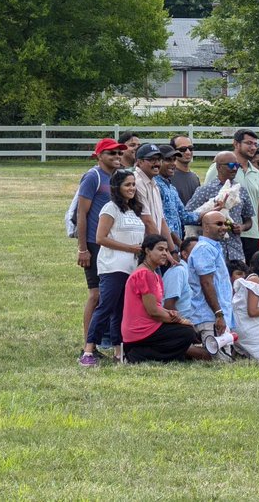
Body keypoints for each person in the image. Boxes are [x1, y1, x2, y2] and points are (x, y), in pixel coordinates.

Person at [79, 170, 152, 366]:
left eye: (133, 185)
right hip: (113, 266)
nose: (132, 188)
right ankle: (88, 350)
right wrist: (131, 248)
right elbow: (100, 238)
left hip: (132, 268)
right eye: (127, 185)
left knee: (121, 310)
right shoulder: (110, 208)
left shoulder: (134, 210)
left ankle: (118, 351)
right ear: (117, 187)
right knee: (106, 307)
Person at [120, 235, 205, 363]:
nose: (165, 253)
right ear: (148, 251)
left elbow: (158, 307)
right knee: (187, 333)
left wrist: (171, 314)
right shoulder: (144, 274)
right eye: (160, 249)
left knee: (186, 332)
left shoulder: (154, 274)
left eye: (166, 250)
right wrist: (180, 320)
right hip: (140, 331)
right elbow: (153, 311)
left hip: (149, 327)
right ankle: (137, 355)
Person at [74, 138, 125, 347]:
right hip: (94, 244)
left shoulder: (117, 178)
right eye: (111, 153)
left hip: (112, 243)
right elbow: (81, 213)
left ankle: (109, 342)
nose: (117, 157)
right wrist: (82, 248)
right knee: (95, 295)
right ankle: (89, 344)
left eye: (119, 153)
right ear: (99, 155)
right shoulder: (93, 176)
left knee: (111, 294)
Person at [203, 129, 259, 261]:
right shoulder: (219, 167)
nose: (253, 147)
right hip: (226, 233)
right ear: (236, 144)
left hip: (251, 234)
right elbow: (207, 197)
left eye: (256, 144)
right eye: (249, 143)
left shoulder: (257, 174)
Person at [185, 151, 255, 262]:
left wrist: (241, 227)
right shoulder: (206, 190)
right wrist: (210, 216)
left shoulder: (241, 190)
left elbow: (249, 220)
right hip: (212, 250)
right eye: (231, 165)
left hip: (235, 250)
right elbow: (187, 215)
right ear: (218, 167)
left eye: (237, 165)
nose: (235, 169)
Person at [185, 211, 236, 361]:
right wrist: (218, 314)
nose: (224, 227)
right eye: (218, 224)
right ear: (206, 227)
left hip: (217, 315)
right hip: (210, 316)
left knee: (224, 360)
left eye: (225, 223)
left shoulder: (213, 248)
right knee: (220, 362)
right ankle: (180, 348)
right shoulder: (204, 249)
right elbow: (206, 283)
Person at [132, 143, 176, 250]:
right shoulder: (137, 181)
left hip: (153, 245)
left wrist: (172, 250)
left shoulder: (153, 183)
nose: (157, 163)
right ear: (140, 161)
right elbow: (147, 221)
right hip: (141, 247)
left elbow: (161, 220)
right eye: (152, 159)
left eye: (159, 159)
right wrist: (162, 249)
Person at [168, 135, 200, 204]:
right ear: (173, 151)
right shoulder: (168, 177)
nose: (188, 152)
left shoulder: (195, 177)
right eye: (183, 149)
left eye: (190, 148)